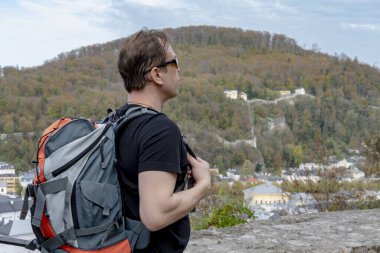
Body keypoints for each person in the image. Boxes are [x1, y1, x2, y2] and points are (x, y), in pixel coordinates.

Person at [116, 28, 211, 252]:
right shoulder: (160, 130)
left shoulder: (116, 121)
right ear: (157, 74)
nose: (179, 72)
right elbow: (155, 215)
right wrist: (204, 185)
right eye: (175, 63)